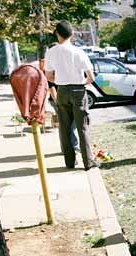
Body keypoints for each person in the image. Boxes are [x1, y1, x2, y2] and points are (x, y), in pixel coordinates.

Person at [44, 20, 98, 170]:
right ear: (72, 34)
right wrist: (81, 83)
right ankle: (88, 162)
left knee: (65, 127)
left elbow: (48, 76)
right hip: (78, 90)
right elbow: (91, 77)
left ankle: (69, 162)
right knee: (83, 127)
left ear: (57, 34)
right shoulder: (79, 52)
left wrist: (61, 80)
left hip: (62, 90)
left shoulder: (51, 52)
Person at [44, 43, 80, 153]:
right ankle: (72, 147)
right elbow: (51, 87)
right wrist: (58, 102)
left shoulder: (57, 64)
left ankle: (68, 147)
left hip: (64, 97)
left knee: (68, 124)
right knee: (67, 124)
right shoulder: (51, 66)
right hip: (58, 99)